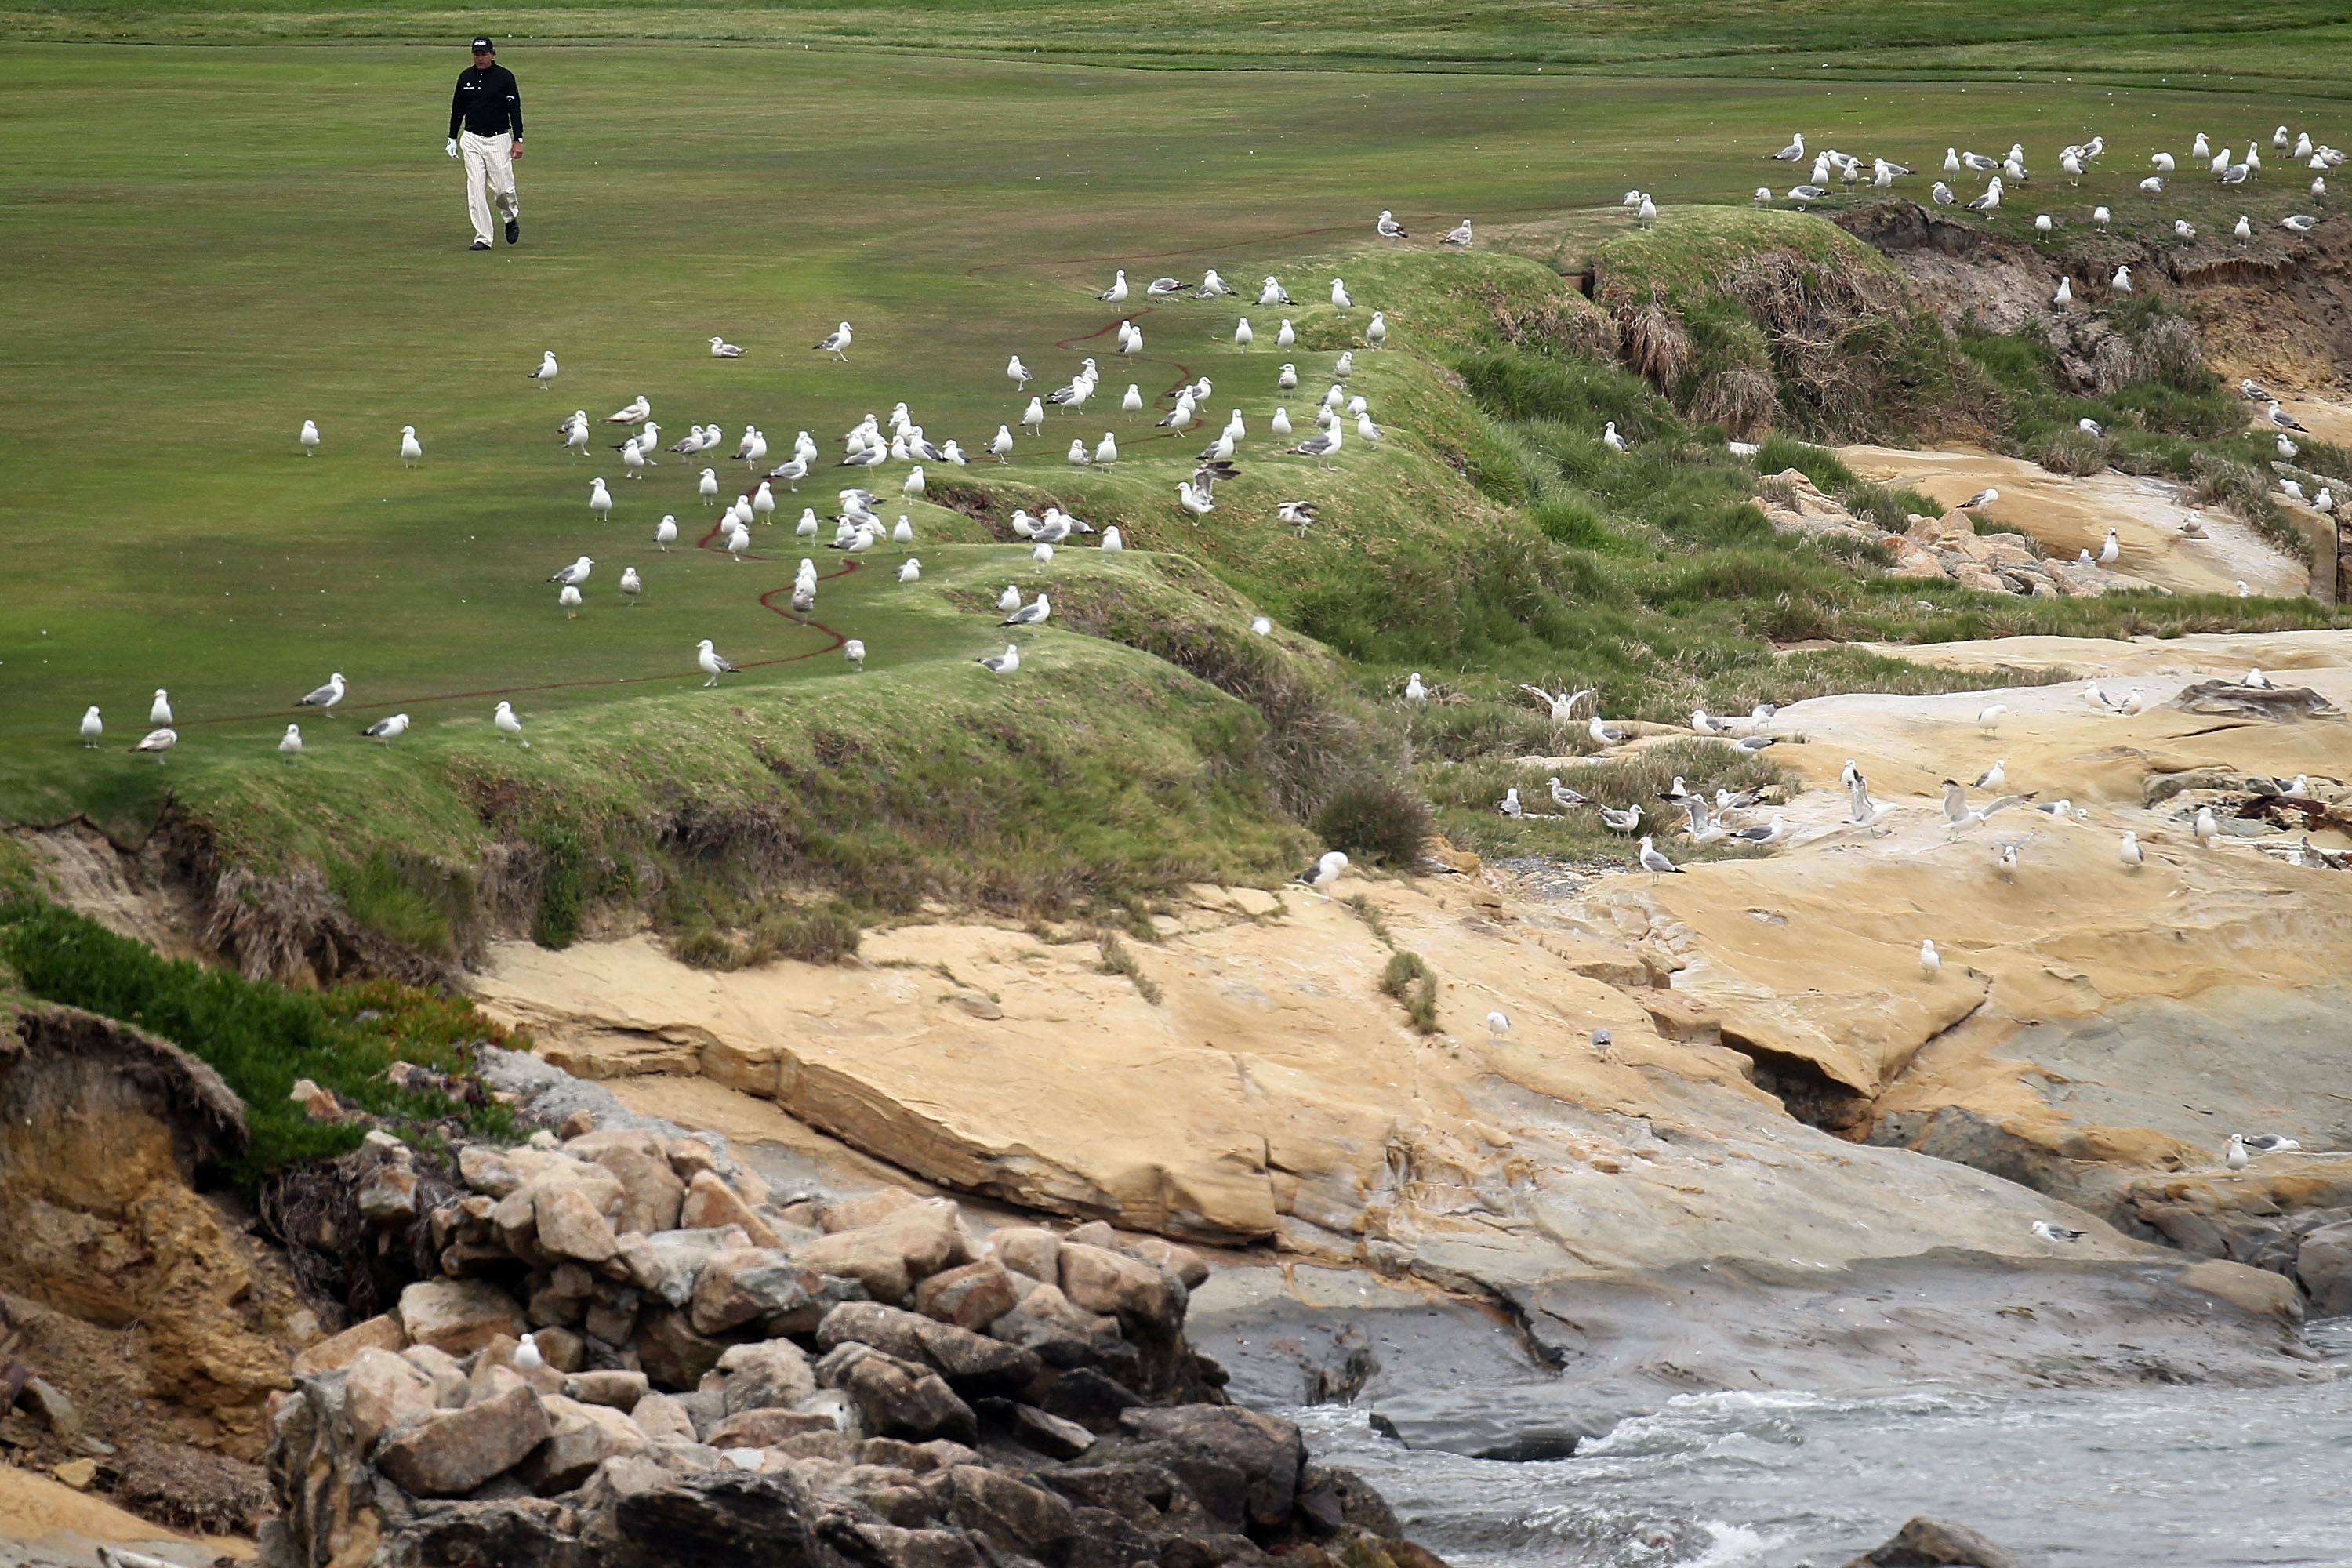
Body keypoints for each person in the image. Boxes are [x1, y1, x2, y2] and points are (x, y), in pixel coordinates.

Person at [445, 35, 523, 251]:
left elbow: (514, 110)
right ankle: (483, 237)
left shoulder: (504, 77)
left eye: (484, 54)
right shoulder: (465, 77)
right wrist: (452, 137)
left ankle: (510, 217)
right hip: (472, 139)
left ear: (492, 54)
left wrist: (518, 140)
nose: (480, 58)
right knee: (476, 189)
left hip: (498, 138)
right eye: (476, 54)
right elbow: (457, 109)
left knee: (503, 189)